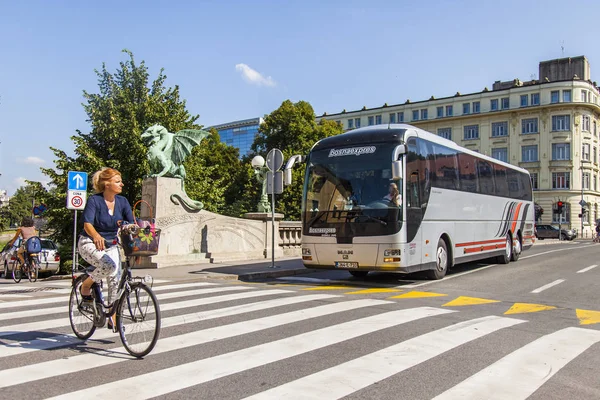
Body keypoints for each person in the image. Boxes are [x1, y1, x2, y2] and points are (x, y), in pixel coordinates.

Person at [78, 167, 134, 329]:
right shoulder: (94, 201)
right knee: (109, 267)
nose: (122, 184)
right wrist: (96, 236)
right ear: (106, 184)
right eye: (117, 181)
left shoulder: (123, 202)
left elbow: (130, 224)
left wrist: (135, 241)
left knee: (115, 281)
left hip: (110, 244)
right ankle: (86, 286)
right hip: (89, 242)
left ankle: (113, 317)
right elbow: (87, 224)